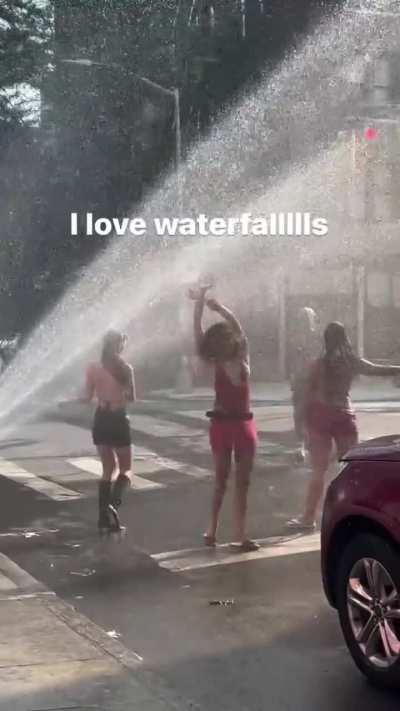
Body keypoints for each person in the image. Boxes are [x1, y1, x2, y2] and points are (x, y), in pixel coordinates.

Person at [288, 321, 400, 531]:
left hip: (320, 416)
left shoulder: (318, 364)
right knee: (354, 468)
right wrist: (397, 369)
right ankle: (361, 513)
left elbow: (304, 395)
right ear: (345, 338)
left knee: (318, 470)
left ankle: (308, 517)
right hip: (344, 415)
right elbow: (376, 369)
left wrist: (300, 425)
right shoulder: (351, 362)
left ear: (326, 340)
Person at [189, 286, 259, 552]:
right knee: (223, 480)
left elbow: (239, 329)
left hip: (240, 425)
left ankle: (238, 535)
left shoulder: (242, 357)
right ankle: (212, 531)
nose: (231, 340)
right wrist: (201, 306)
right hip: (227, 425)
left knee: (241, 482)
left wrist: (218, 308)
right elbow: (198, 331)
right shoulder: (220, 362)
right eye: (224, 338)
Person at [83, 330, 136, 532]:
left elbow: (87, 397)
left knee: (107, 469)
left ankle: (103, 518)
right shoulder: (126, 369)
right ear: (119, 346)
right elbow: (132, 398)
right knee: (126, 470)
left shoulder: (93, 368)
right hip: (118, 419)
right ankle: (113, 504)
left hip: (101, 418)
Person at [289, 307, 319, 463]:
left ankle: (305, 445)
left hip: (309, 382)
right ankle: (303, 445)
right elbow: (295, 361)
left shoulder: (313, 339)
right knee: (302, 414)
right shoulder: (303, 339)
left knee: (304, 414)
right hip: (304, 382)